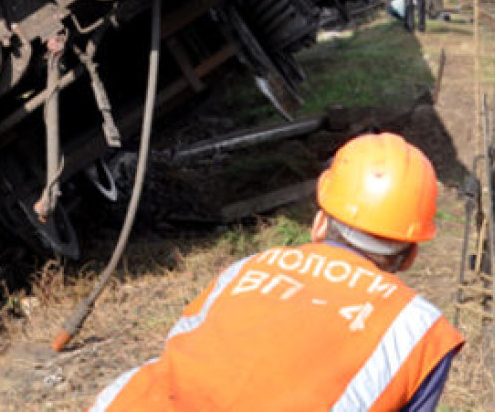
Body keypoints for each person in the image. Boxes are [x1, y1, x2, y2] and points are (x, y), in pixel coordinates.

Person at [90, 133, 464, 412]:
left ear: (319, 223)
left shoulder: (248, 268)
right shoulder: (417, 332)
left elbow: (183, 346)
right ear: (411, 254)